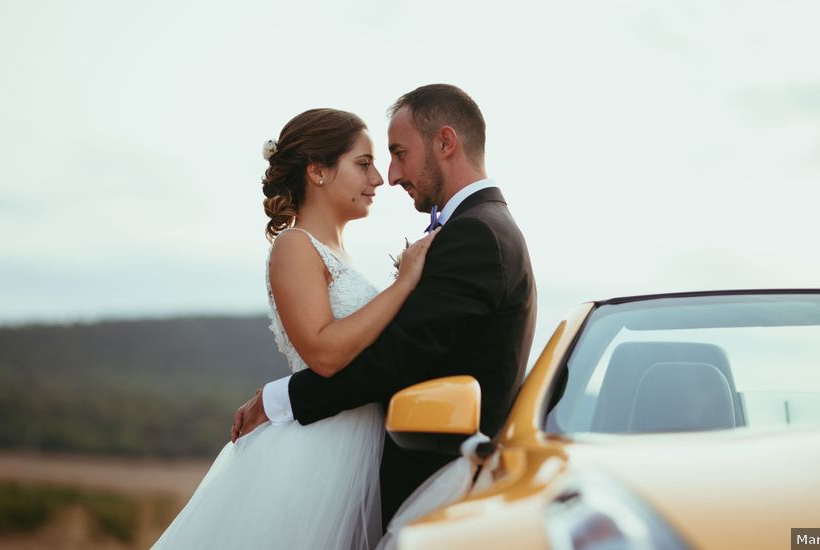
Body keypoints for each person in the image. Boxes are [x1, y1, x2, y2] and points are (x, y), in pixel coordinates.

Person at [232, 84, 537, 532]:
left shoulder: (476, 234)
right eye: (369, 162)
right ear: (317, 173)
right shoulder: (478, 229)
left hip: (434, 475)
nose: (388, 177)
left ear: (446, 143)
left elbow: (396, 358)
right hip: (335, 457)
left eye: (397, 153)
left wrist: (281, 398)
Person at [152, 108, 438, 550]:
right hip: (317, 454)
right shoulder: (294, 246)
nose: (379, 178)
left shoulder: (339, 252)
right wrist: (403, 286)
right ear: (317, 171)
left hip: (358, 445)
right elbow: (323, 353)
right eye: (363, 164)